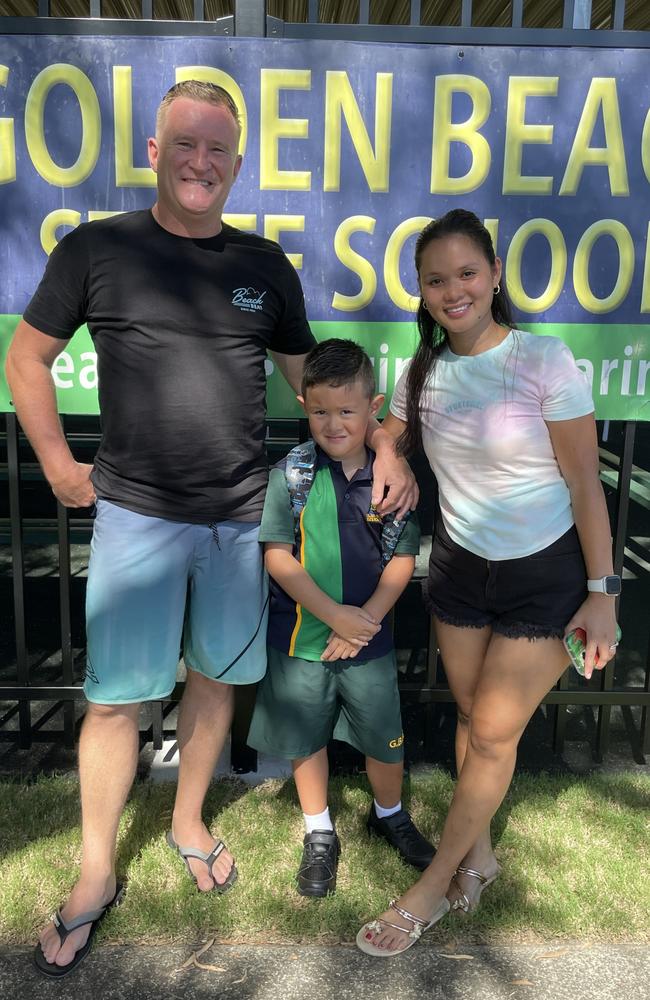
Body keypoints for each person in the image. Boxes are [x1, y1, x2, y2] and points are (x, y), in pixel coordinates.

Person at [5, 81, 416, 977]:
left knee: (212, 684)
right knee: (116, 698)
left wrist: (385, 440)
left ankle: (188, 819)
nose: (201, 163)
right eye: (185, 145)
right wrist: (56, 464)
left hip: (237, 520)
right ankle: (94, 871)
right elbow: (27, 357)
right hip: (136, 513)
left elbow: (318, 375)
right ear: (155, 152)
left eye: (218, 150)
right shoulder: (97, 249)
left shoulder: (264, 263)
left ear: (237, 163)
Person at [356, 209, 620, 956]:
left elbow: (586, 486)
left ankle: (430, 886)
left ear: (496, 275)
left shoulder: (544, 359)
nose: (453, 290)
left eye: (467, 273)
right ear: (422, 290)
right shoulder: (426, 369)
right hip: (461, 571)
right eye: (436, 279)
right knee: (474, 719)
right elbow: (390, 427)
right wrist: (388, 450)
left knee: (496, 731)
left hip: (545, 575)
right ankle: (482, 855)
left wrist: (604, 593)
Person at [247, 339, 435, 897]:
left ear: (373, 406)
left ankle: (390, 813)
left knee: (383, 739)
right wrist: (334, 617)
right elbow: (277, 556)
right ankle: (319, 831)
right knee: (306, 738)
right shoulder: (290, 476)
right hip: (303, 639)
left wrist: (367, 621)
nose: (333, 424)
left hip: (369, 644)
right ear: (302, 403)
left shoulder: (391, 481)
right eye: (320, 410)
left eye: (347, 411)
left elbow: (402, 558)